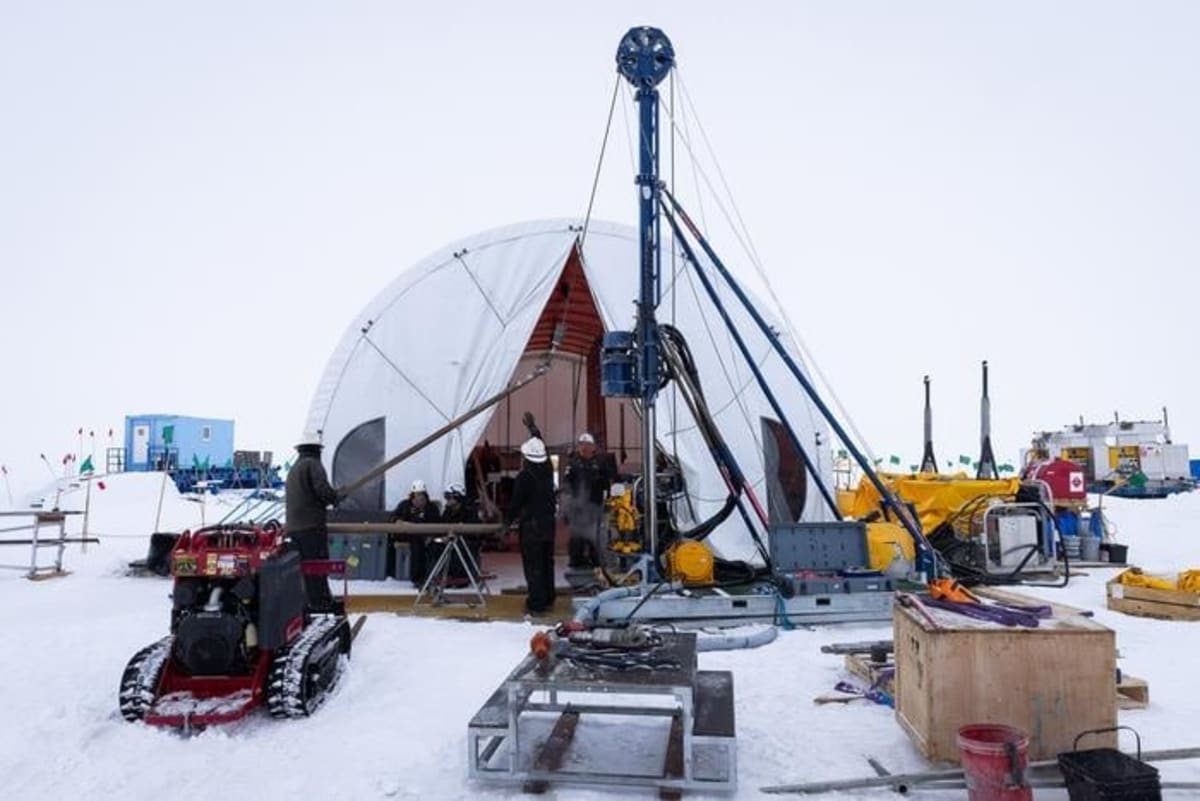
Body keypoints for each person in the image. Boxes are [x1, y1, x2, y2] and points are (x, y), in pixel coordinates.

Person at [285, 431, 341, 610]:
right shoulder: (313, 464)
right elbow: (322, 489)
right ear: (317, 449)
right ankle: (321, 604)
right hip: (311, 527)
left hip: (294, 528)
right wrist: (335, 497)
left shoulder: (295, 467)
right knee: (318, 566)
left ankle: (310, 602)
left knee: (306, 568)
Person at [505, 436, 557, 615]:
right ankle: (548, 598)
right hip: (548, 525)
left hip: (532, 528)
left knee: (533, 565)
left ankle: (537, 603)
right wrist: (535, 432)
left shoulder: (525, 476)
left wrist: (506, 522)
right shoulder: (548, 471)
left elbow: (516, 503)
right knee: (547, 562)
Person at [563, 432, 616, 568]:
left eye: (587, 444)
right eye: (582, 444)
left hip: (596, 504)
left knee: (596, 533)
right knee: (577, 533)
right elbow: (567, 483)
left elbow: (609, 481)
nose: (584, 447)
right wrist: (568, 503)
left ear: (593, 447)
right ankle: (576, 559)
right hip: (578, 505)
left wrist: (607, 498)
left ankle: (596, 558)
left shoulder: (600, 463)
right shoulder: (573, 463)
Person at [392, 479, 441, 586]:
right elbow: (394, 518)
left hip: (426, 536)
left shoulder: (431, 508)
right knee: (416, 543)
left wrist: (431, 535)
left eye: (421, 496)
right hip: (407, 534)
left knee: (430, 547)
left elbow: (437, 523)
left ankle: (430, 576)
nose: (418, 499)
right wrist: (400, 522)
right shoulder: (404, 505)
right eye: (416, 496)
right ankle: (417, 578)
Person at [438, 482, 480, 585]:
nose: (447, 500)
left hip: (467, 541)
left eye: (449, 497)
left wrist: (456, 534)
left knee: (458, 546)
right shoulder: (447, 511)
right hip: (449, 539)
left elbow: (473, 530)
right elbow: (442, 525)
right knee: (434, 546)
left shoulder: (469, 510)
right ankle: (436, 576)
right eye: (446, 497)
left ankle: (459, 578)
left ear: (457, 498)